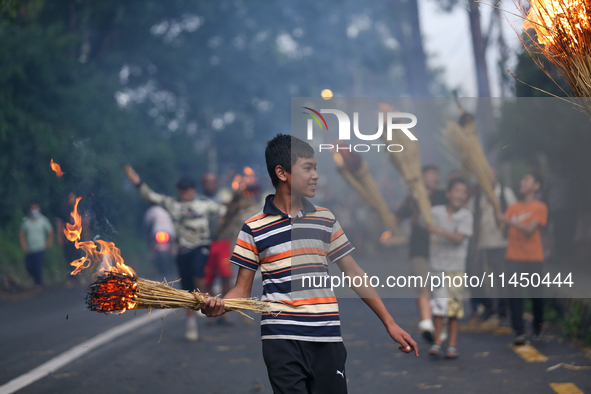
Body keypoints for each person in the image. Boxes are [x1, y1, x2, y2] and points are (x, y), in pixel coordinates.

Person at [202, 134, 418, 394]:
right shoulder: (253, 228)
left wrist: (389, 322)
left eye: (315, 167)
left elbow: (353, 273)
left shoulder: (325, 219)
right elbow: (242, 290)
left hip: (326, 337)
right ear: (282, 173)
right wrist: (220, 305)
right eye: (308, 168)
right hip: (280, 340)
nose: (315, 175)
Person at [125, 167, 226, 341]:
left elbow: (224, 212)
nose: (184, 193)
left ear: (193, 190)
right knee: (187, 291)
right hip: (182, 249)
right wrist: (138, 183)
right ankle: (191, 324)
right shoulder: (172, 204)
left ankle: (202, 301)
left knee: (197, 270)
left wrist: (224, 221)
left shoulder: (204, 204)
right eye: (181, 189)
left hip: (201, 245)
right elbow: (152, 197)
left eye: (187, 189)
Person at [396, 164, 448, 341]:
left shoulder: (443, 196)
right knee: (423, 286)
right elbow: (397, 218)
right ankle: (427, 323)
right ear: (423, 177)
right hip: (419, 250)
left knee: (440, 289)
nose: (436, 177)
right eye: (432, 174)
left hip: (440, 250)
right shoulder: (413, 198)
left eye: (437, 174)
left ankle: (440, 324)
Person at [497, 173, 548, 345]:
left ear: (536, 186)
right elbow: (501, 226)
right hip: (513, 257)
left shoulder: (540, 207)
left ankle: (537, 328)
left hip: (534, 258)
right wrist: (496, 212)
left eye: (526, 180)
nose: (522, 182)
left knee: (536, 296)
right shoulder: (513, 207)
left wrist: (508, 220)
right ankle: (519, 331)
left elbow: (529, 229)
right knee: (515, 295)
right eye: (522, 180)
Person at [426, 178, 473, 358]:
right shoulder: (434, 212)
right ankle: (438, 341)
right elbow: (418, 221)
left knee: (453, 307)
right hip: (437, 266)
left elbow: (459, 238)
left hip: (456, 268)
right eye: (456, 191)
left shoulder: (466, 216)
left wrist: (436, 230)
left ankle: (452, 344)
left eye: (463, 192)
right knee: (438, 305)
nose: (459, 195)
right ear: (448, 193)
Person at [467, 169, 517, 321]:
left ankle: (502, 312)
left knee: (502, 279)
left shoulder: (505, 193)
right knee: (474, 276)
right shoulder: (477, 197)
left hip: (501, 243)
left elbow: (515, 213)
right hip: (481, 245)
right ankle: (489, 306)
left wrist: (499, 209)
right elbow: (468, 215)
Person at [201, 173, 233, 318]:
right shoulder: (199, 202)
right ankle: (212, 311)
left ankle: (224, 311)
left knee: (225, 276)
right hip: (206, 243)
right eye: (207, 182)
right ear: (203, 185)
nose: (210, 185)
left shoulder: (224, 200)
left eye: (212, 182)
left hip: (223, 242)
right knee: (209, 278)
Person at [56, 192, 89, 288]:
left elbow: (85, 224)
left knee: (79, 257)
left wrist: (86, 237)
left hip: (79, 240)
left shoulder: (80, 210)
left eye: (73, 198)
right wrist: (60, 237)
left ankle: (80, 276)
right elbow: (60, 226)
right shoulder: (64, 212)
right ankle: (71, 279)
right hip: (68, 240)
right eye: (69, 198)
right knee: (69, 259)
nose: (72, 200)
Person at [20, 203, 54, 290]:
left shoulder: (43, 220)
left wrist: (48, 243)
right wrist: (23, 244)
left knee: (38, 266)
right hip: (29, 249)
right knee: (29, 266)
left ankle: (38, 284)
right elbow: (22, 233)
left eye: (35, 208)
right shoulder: (26, 221)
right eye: (32, 208)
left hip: (40, 247)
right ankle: (35, 280)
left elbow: (50, 232)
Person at [144, 205, 176, 278]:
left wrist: (147, 231)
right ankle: (174, 254)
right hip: (170, 231)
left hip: (157, 231)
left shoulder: (152, 209)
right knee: (173, 245)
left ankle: (152, 254)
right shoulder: (171, 207)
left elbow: (147, 222)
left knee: (152, 245)